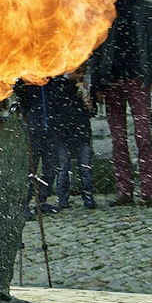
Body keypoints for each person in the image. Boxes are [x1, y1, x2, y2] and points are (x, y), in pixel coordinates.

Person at [91, 0, 152, 210]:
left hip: (138, 81)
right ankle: (124, 190)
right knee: (118, 139)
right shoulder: (105, 13)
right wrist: (96, 85)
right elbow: (95, 50)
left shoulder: (149, 11)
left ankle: (148, 191)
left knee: (143, 137)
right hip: (112, 82)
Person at [12, 77, 60, 218]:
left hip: (51, 129)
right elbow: (21, 96)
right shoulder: (28, 80)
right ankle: (24, 204)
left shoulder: (52, 80)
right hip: (33, 130)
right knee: (30, 169)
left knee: (50, 169)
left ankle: (42, 202)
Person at [51, 67, 97, 210]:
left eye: (83, 73)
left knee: (85, 167)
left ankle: (88, 196)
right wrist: (74, 90)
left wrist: (88, 103)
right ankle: (62, 198)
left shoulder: (86, 88)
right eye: (78, 72)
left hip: (82, 132)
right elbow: (58, 107)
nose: (80, 76)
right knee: (63, 167)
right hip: (63, 132)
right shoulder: (59, 85)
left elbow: (92, 111)